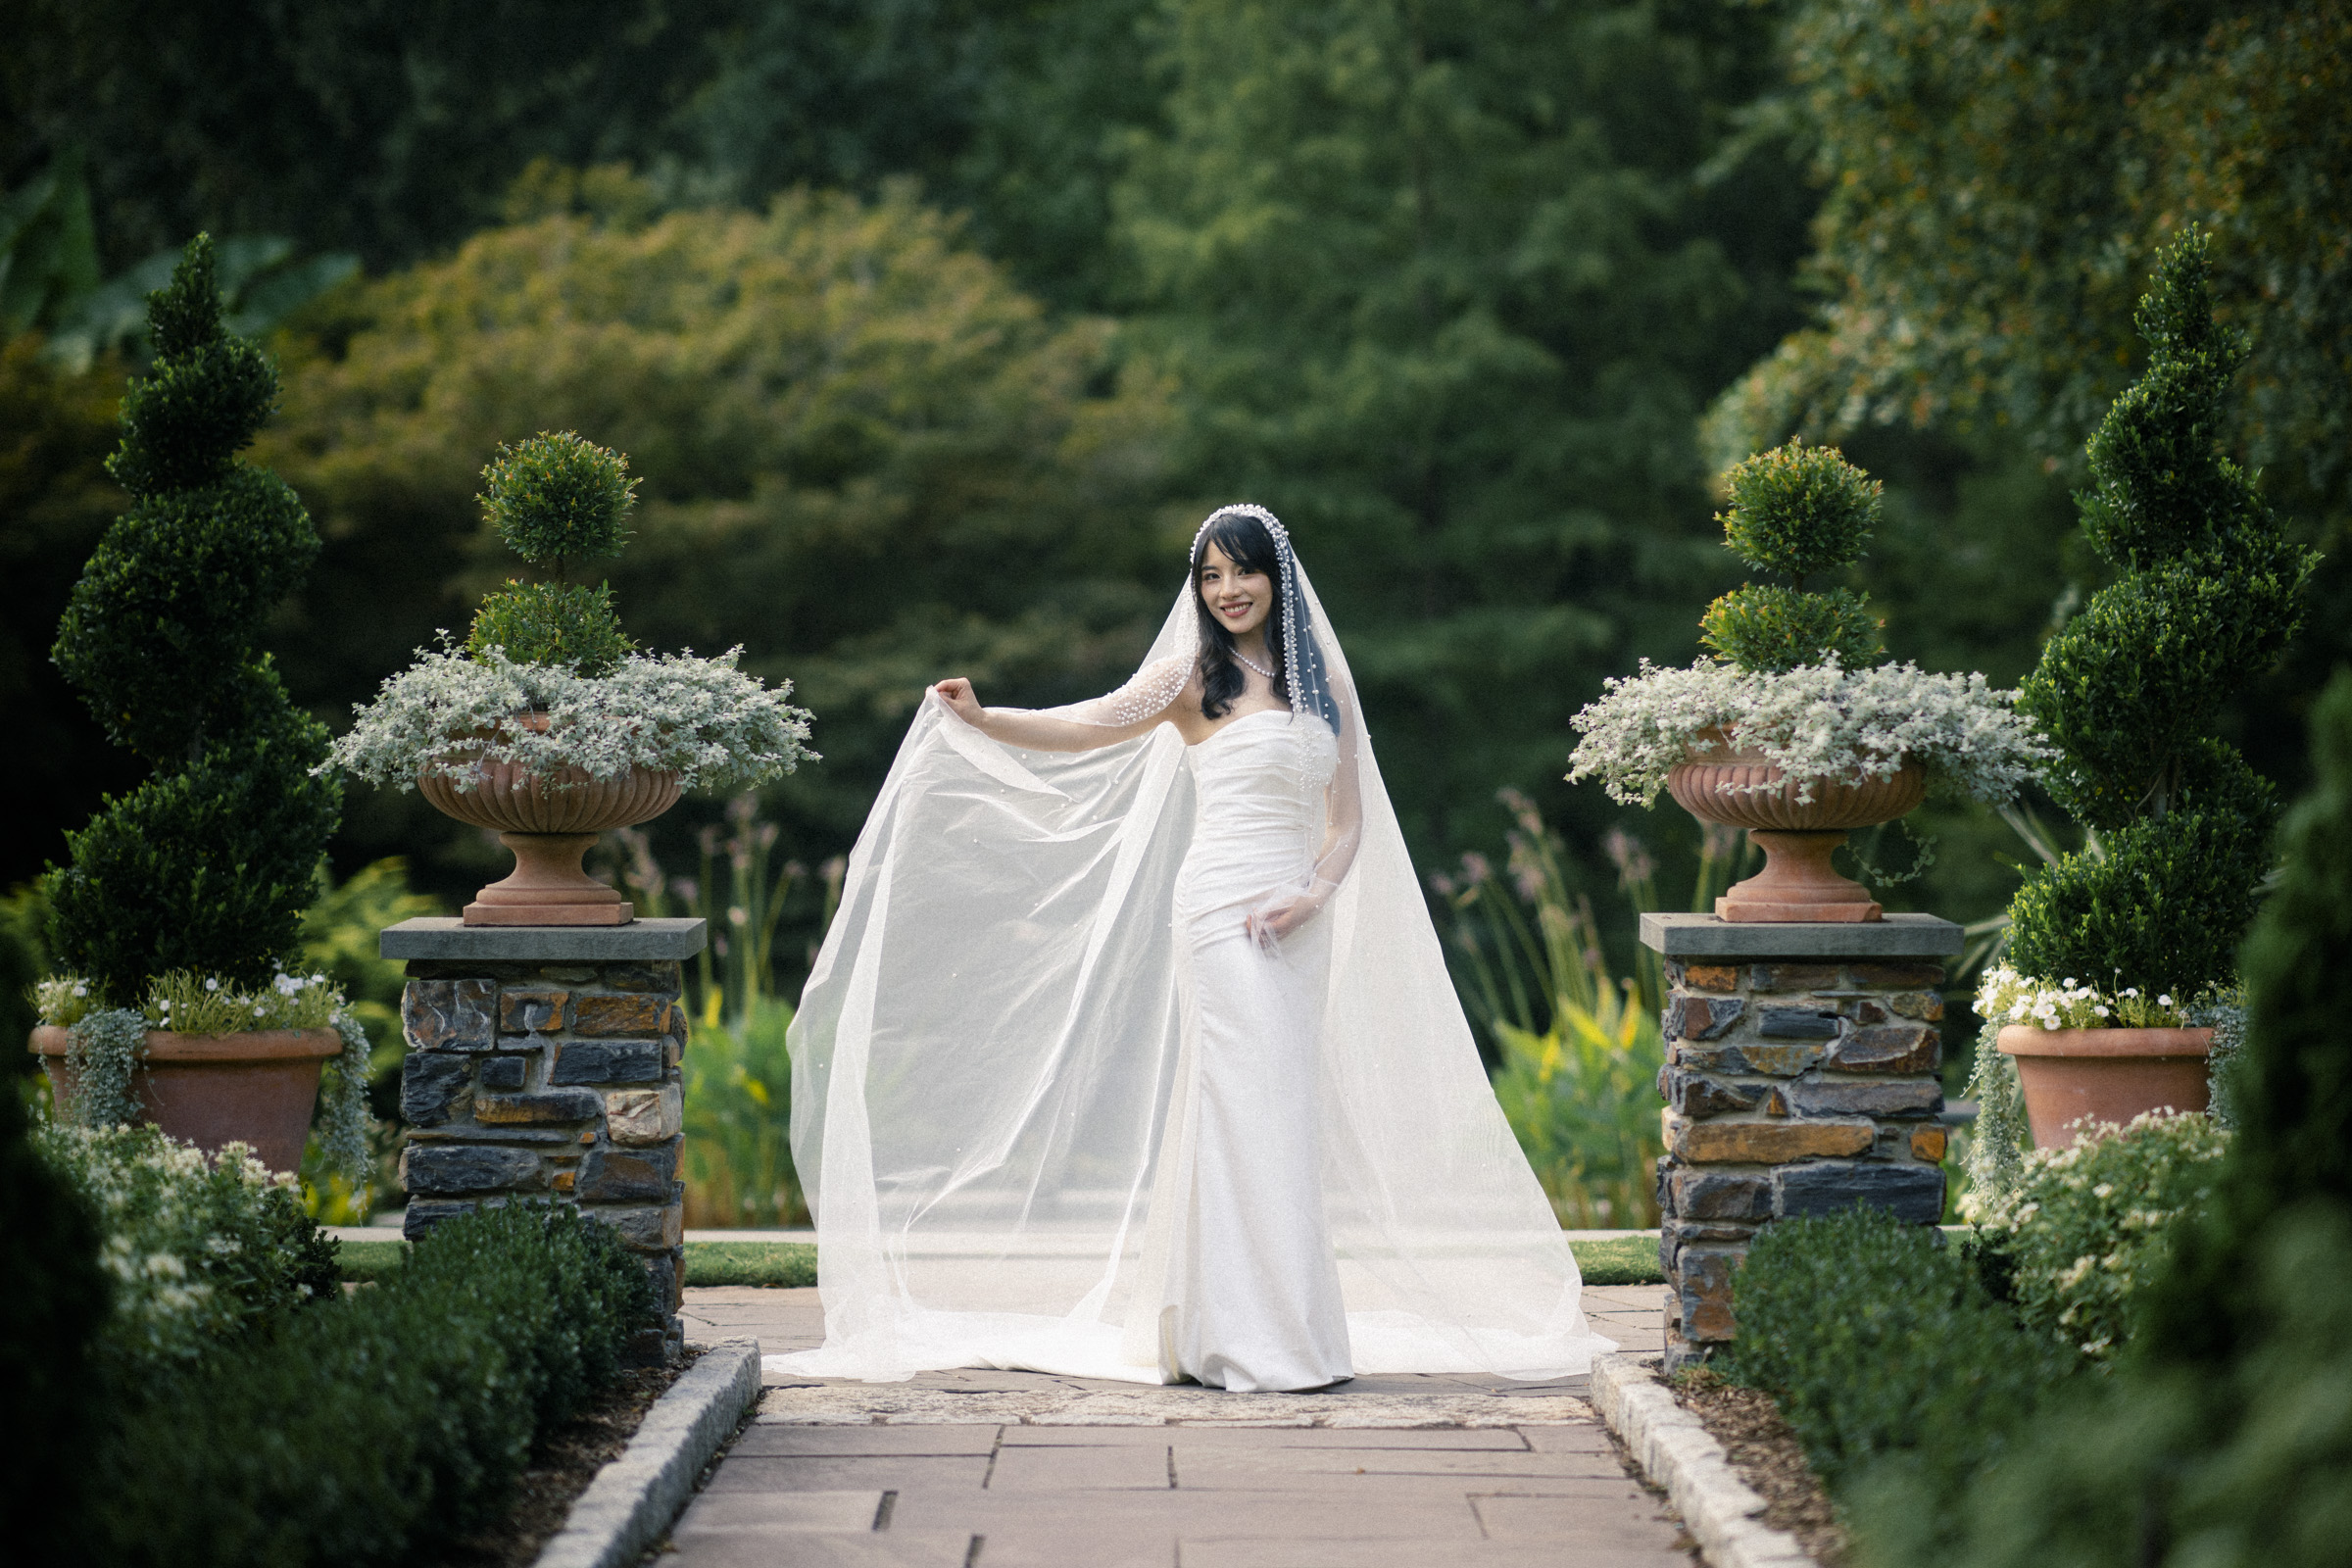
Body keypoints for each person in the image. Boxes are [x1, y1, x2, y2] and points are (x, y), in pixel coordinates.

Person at [770, 505, 1613, 1391]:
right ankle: (1242, 1341)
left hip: (1295, 918)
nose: (1226, 590)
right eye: (1209, 576)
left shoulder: (1323, 681)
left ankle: (1281, 1331)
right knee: (1242, 1105)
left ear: (1274, 576)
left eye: (1240, 572)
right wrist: (985, 718)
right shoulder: (1189, 680)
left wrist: (1313, 894)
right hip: (1217, 915)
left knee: (1280, 1117)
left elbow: (1349, 817)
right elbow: (1088, 723)